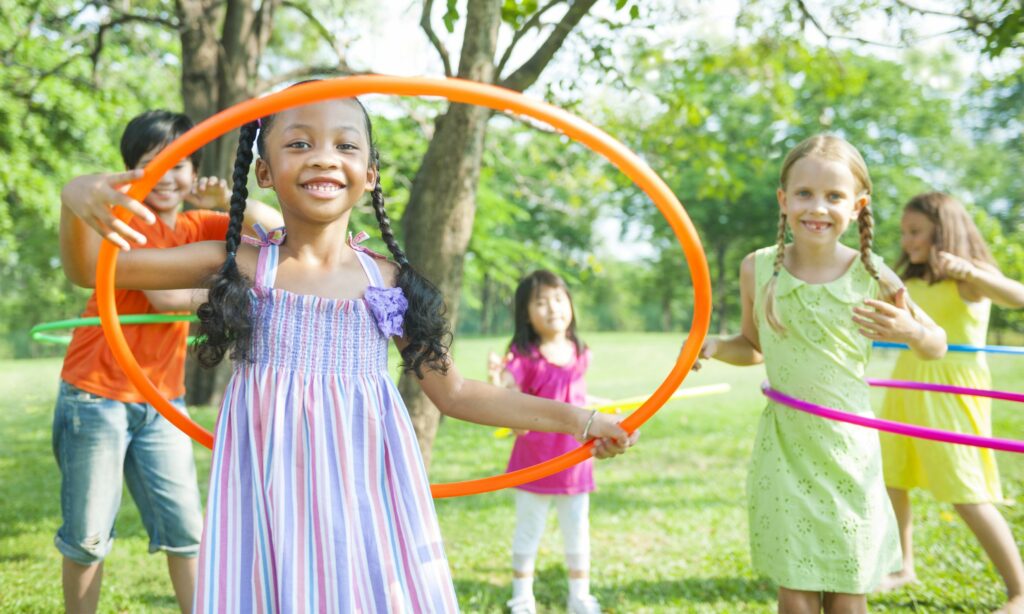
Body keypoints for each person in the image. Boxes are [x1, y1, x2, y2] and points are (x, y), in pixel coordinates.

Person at [59, 95, 636, 613]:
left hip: (364, 499)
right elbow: (92, 270)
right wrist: (74, 196)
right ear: (263, 170)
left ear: (369, 174)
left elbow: (455, 393)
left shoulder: (389, 282)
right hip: (269, 499)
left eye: (345, 144)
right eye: (299, 143)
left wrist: (579, 420)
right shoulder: (237, 262)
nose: (322, 157)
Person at [695, 134, 946, 613]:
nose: (818, 207)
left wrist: (911, 329)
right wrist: (715, 346)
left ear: (857, 205)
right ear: (783, 200)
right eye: (805, 194)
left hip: (848, 449)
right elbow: (754, 348)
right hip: (786, 446)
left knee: (848, 586)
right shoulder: (759, 269)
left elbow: (936, 346)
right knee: (796, 586)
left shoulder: (871, 274)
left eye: (834, 196)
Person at [54, 110, 282, 614]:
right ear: (129, 173)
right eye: (150, 163)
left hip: (162, 399)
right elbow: (168, 298)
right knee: (89, 535)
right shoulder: (125, 224)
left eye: (179, 162)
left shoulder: (202, 223)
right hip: (96, 395)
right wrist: (236, 295)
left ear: (194, 170)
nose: (167, 174)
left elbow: (280, 232)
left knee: (187, 531)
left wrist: (231, 203)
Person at [877, 192, 1024, 613]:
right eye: (905, 232)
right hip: (906, 382)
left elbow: (1018, 296)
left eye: (916, 231)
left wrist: (971, 269)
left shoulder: (969, 279)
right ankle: (903, 566)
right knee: (894, 478)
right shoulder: (914, 281)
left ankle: (1019, 590)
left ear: (943, 230)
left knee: (965, 490)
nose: (906, 241)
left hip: (952, 391)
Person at [488, 270, 612, 614]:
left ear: (570, 303)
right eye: (540, 302)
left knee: (577, 533)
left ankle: (580, 596)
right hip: (535, 463)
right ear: (525, 313)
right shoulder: (523, 357)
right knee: (529, 531)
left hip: (575, 464)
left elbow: (576, 396)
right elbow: (510, 403)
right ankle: (522, 598)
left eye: (558, 298)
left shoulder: (579, 351)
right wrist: (497, 380)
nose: (552, 308)